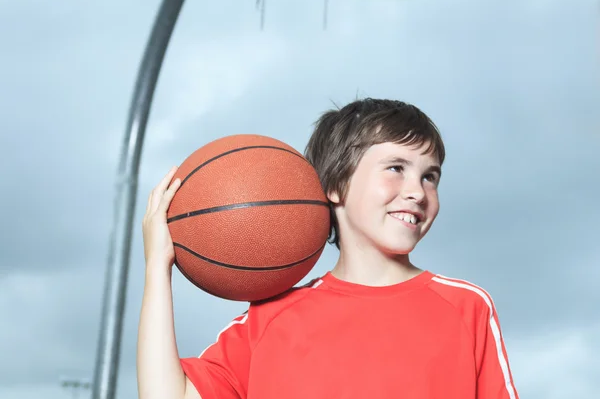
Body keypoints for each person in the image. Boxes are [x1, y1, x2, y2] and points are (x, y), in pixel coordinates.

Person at [137, 98, 520, 399]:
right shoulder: (271, 318)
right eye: (395, 168)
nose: (417, 192)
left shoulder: (467, 307)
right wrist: (158, 266)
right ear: (335, 186)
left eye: (430, 176)